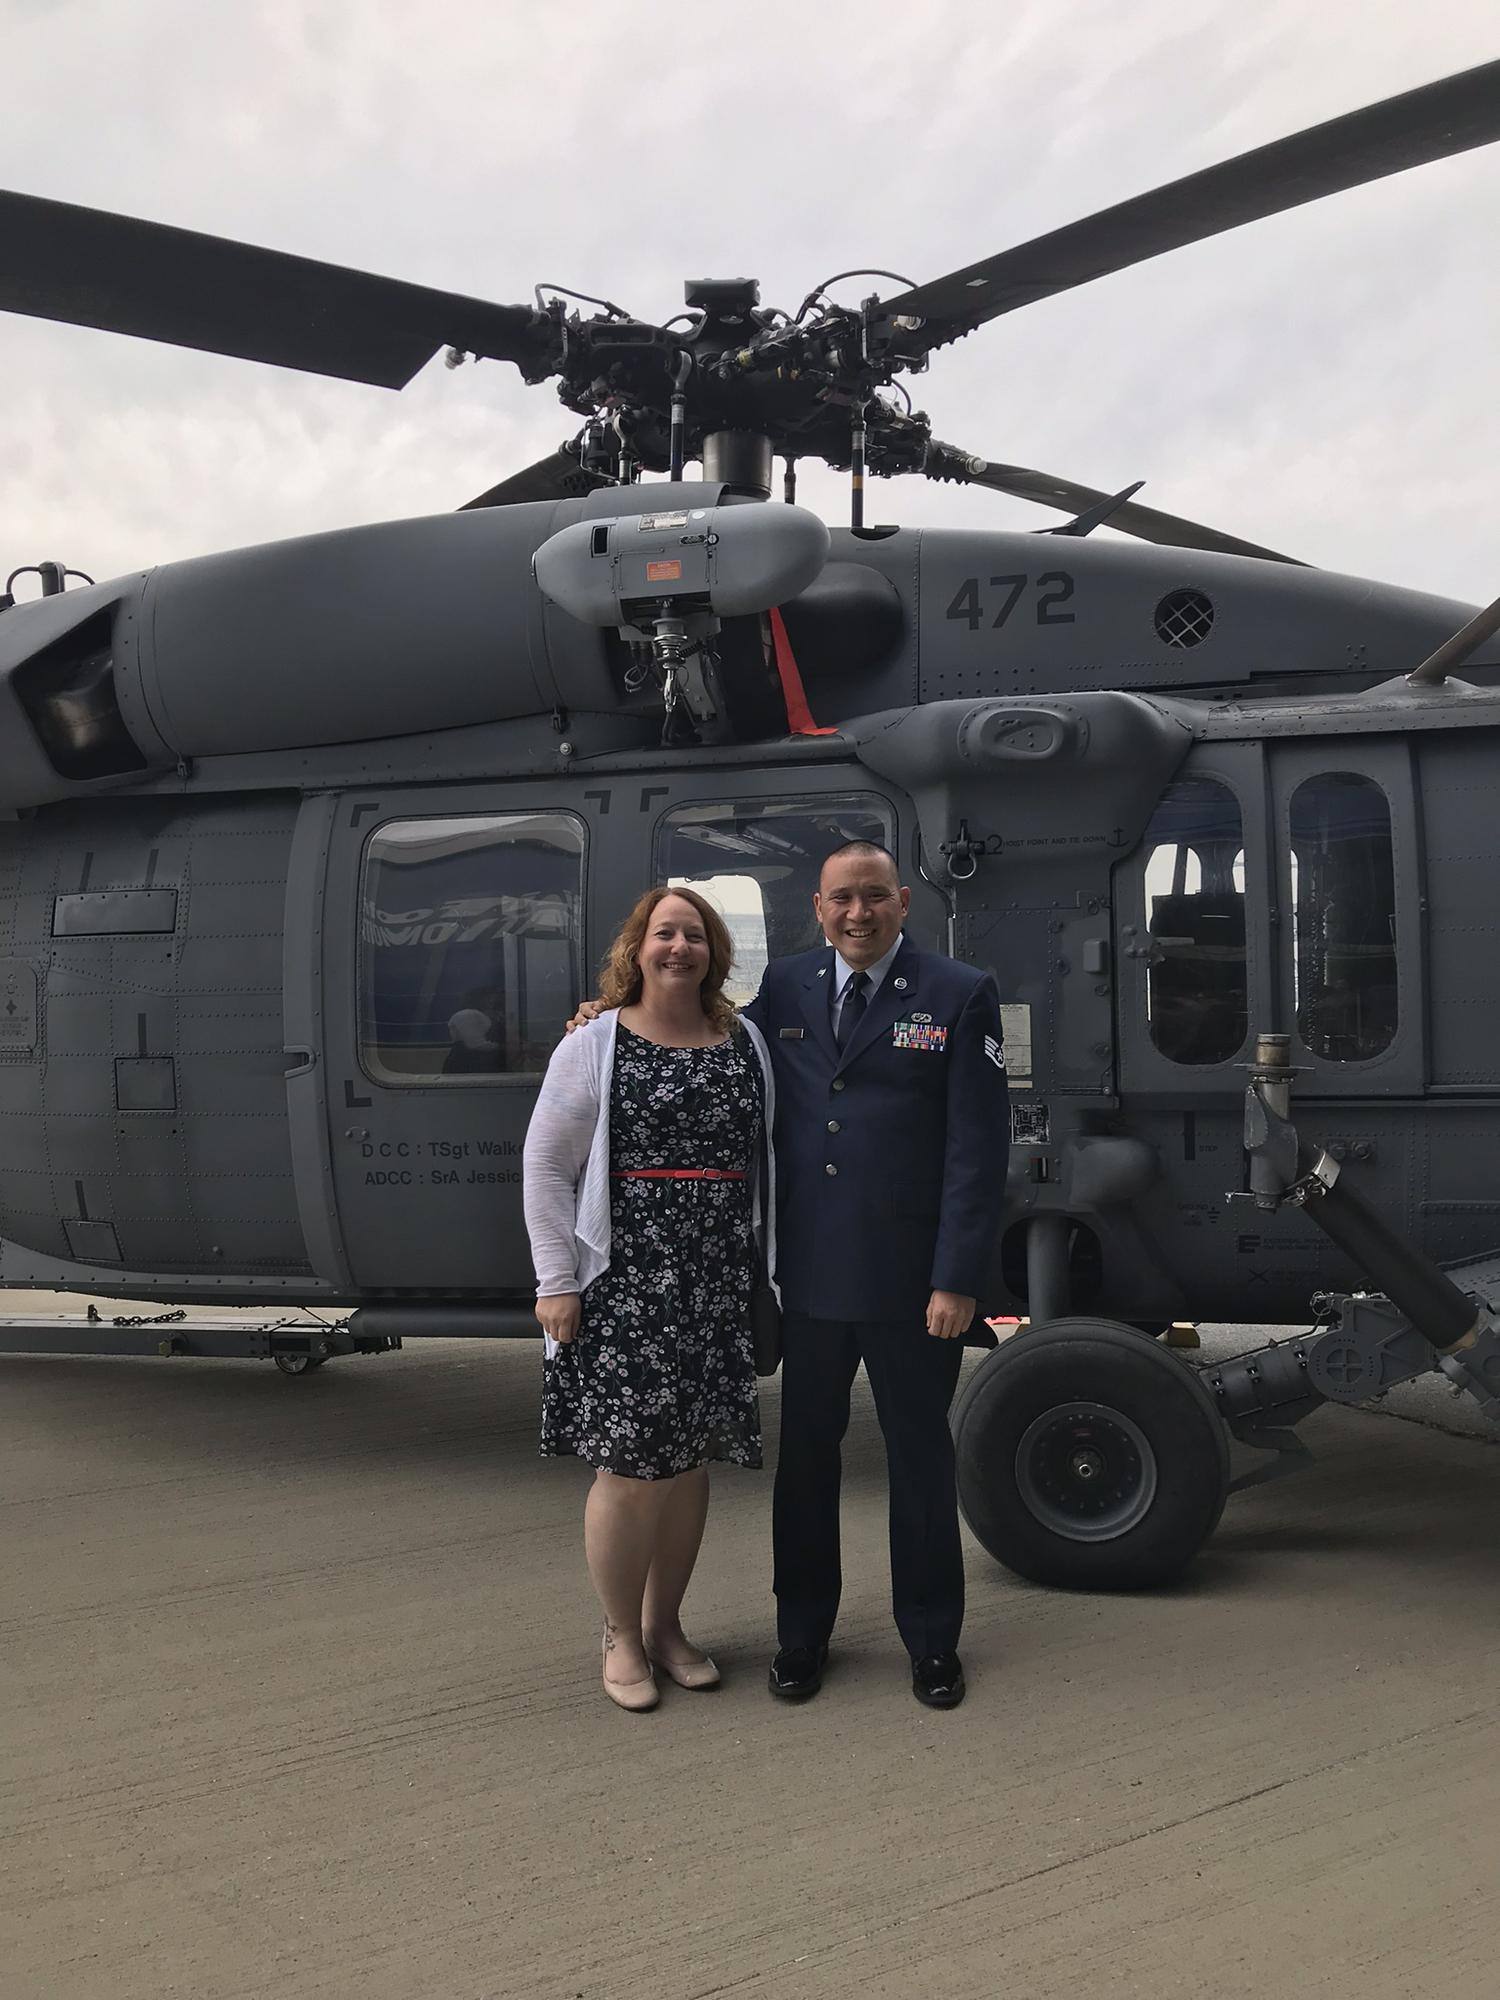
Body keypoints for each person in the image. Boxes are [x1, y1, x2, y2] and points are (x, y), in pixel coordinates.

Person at [571, 842, 1009, 1708]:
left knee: (920, 1463)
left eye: (874, 896)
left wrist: (957, 1279)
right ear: (818, 907)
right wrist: (607, 1016)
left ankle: (932, 1640)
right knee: (805, 1466)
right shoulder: (786, 987)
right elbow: (700, 1029)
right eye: (841, 898)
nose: (858, 913)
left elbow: (977, 1149)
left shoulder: (959, 993)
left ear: (902, 902)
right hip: (806, 1280)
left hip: (914, 1285)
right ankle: (802, 1635)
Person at [523, 887, 776, 1712]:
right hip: (625, 1284)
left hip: (715, 1281)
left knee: (689, 1463)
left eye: (694, 935)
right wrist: (556, 1282)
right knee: (631, 1469)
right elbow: (545, 1167)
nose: (679, 947)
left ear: (714, 952)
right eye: (664, 933)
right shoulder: (596, 1041)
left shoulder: (744, 1041)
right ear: (637, 948)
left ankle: (665, 1627)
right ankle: (620, 1635)